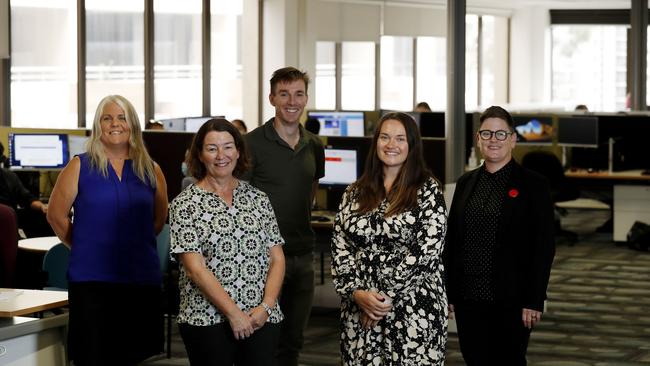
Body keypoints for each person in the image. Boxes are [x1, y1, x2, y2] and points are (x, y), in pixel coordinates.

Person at [47, 95, 168, 366]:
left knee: (133, 355)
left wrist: (134, 244)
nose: (115, 123)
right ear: (98, 125)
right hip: (92, 279)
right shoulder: (79, 166)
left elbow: (159, 219)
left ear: (132, 124)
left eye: (122, 117)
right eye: (107, 117)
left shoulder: (151, 169)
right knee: (92, 355)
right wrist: (83, 246)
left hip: (139, 278)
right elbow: (56, 216)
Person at [331, 112, 448, 365]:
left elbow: (426, 251)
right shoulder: (354, 192)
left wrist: (382, 299)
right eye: (384, 137)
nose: (391, 145)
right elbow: (341, 247)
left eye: (399, 138)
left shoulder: (427, 191)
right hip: (359, 307)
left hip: (413, 306)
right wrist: (357, 293)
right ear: (375, 143)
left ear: (412, 146)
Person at [444, 105, 556, 365]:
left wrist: (534, 298)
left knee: (509, 360)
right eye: (486, 134)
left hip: (513, 298)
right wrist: (448, 290)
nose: (493, 140)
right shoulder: (466, 182)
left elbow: (543, 247)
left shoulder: (534, 185)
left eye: (501, 134)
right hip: (469, 297)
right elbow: (452, 241)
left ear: (513, 139)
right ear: (478, 140)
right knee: (474, 358)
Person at [169, 118, 285, 366]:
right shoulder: (184, 205)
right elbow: (195, 269)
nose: (221, 155)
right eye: (212, 148)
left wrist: (266, 307)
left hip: (260, 316)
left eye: (228, 146)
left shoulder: (258, 199)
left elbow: (277, 258)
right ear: (200, 154)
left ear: (238, 150)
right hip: (208, 319)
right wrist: (234, 314)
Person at [244, 66, 325, 366]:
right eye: (284, 94)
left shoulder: (315, 146)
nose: (292, 101)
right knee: (261, 339)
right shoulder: (250, 144)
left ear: (306, 98)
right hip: (262, 258)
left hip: (303, 256)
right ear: (272, 98)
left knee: (293, 342)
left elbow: (311, 190)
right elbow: (242, 201)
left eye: (299, 94)